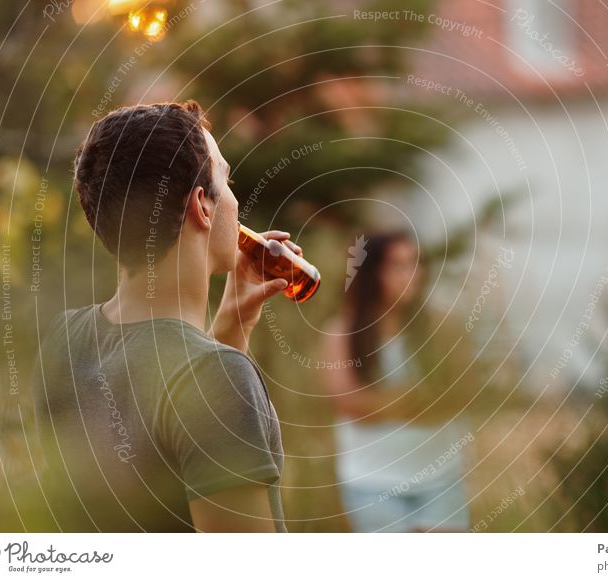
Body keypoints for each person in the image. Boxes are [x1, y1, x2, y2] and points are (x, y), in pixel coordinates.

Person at [31, 101, 302, 532]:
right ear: (202, 206)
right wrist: (223, 363)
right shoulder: (215, 375)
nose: (233, 197)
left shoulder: (66, 338)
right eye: (225, 179)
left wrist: (231, 329)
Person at [322, 231, 474, 532]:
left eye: (415, 264)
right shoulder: (342, 334)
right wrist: (419, 401)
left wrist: (383, 404)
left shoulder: (444, 327)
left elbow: (461, 393)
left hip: (442, 480)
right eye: (398, 265)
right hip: (372, 484)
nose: (412, 274)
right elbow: (351, 404)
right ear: (372, 273)